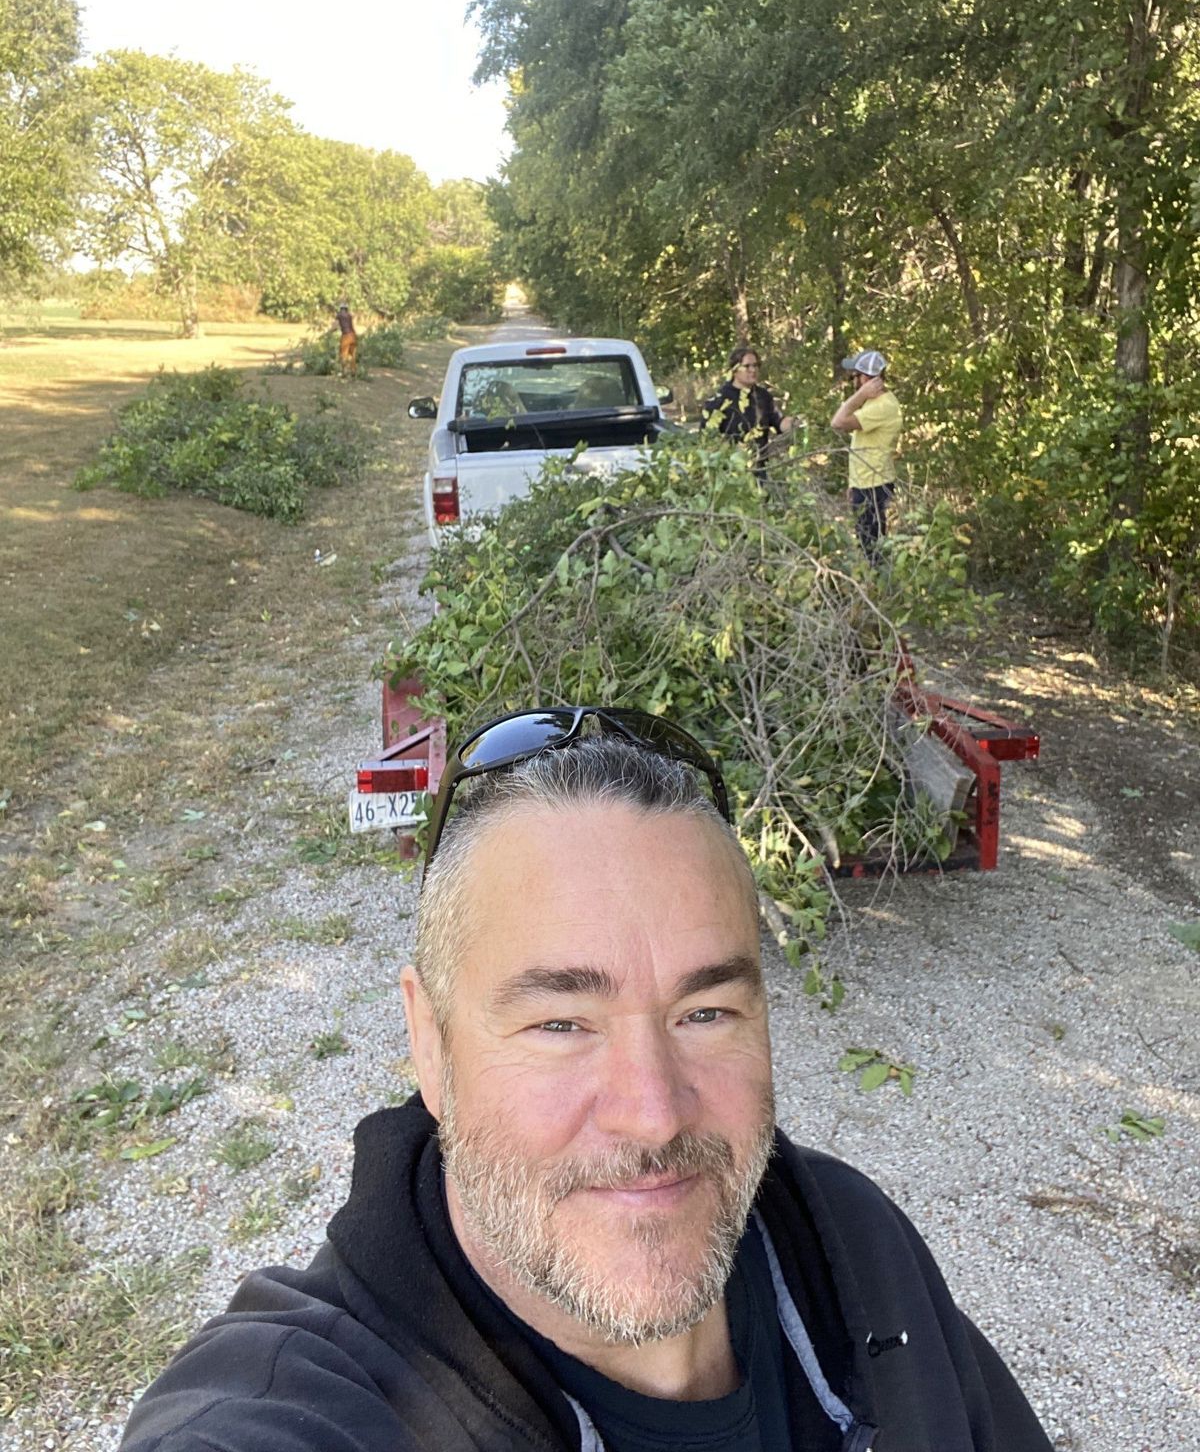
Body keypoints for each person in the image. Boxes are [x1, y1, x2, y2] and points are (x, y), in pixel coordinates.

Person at [120, 707, 1053, 1452]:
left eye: (704, 1013)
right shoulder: (302, 1408)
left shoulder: (849, 1245)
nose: (652, 1115)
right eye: (561, 1023)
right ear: (430, 1042)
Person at [830, 349, 903, 562]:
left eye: (855, 376)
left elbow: (837, 422)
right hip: (865, 483)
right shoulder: (873, 404)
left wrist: (860, 394)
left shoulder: (882, 406)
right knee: (866, 543)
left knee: (872, 549)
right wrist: (853, 485)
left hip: (874, 485)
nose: (853, 381)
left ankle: (880, 590)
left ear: (865, 378)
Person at [700, 346, 790, 470]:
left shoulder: (763, 396)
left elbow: (778, 422)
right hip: (730, 472)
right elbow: (707, 439)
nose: (753, 370)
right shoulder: (719, 400)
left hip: (760, 468)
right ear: (734, 369)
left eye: (755, 365)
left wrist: (796, 422)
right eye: (747, 366)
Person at [335, 303, 358, 372]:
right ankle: (353, 371)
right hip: (353, 336)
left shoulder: (339, 315)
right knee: (352, 355)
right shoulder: (349, 315)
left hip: (346, 336)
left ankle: (344, 372)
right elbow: (353, 326)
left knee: (343, 355)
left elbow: (335, 326)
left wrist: (327, 333)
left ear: (340, 309)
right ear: (347, 309)